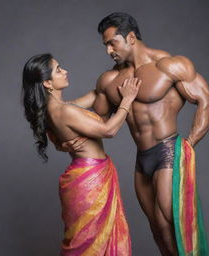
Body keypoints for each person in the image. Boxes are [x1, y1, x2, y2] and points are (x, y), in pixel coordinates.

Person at [62, 13, 209, 256]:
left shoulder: (169, 65)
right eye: (105, 45)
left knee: (167, 219)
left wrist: (189, 146)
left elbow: (207, 103)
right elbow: (99, 120)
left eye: (113, 43)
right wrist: (64, 122)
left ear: (131, 37)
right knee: (157, 229)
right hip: (141, 160)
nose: (109, 50)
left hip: (168, 150)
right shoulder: (110, 80)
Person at [21, 53, 141, 256]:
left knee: (87, 242)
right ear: (48, 83)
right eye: (59, 69)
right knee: (89, 245)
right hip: (90, 181)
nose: (65, 71)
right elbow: (109, 130)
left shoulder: (55, 110)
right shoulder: (64, 111)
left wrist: (116, 73)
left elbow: (96, 94)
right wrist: (127, 100)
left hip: (83, 176)